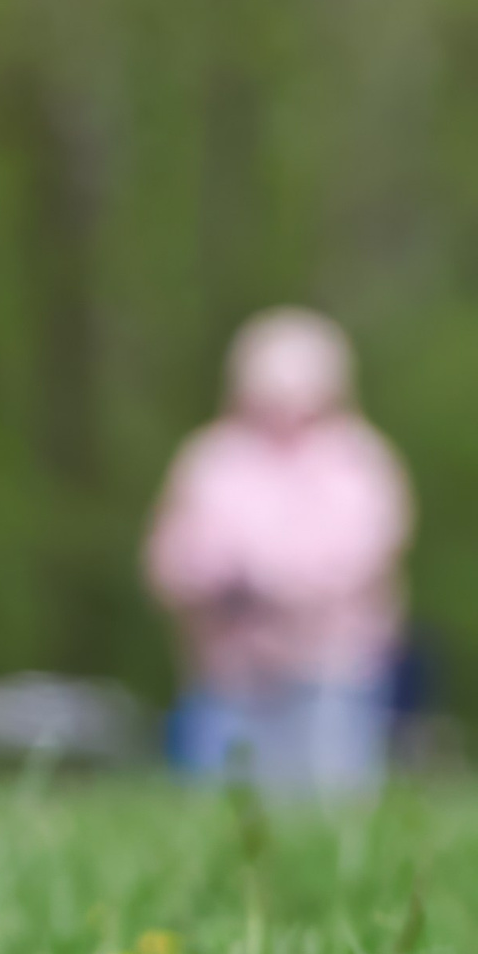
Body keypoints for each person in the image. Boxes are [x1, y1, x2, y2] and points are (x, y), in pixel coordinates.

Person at [144, 308, 412, 793]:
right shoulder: (213, 459)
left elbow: (361, 553)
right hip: (228, 671)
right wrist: (217, 581)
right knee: (224, 804)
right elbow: (173, 555)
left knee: (330, 802)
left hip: (332, 668)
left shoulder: (356, 461)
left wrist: (274, 584)